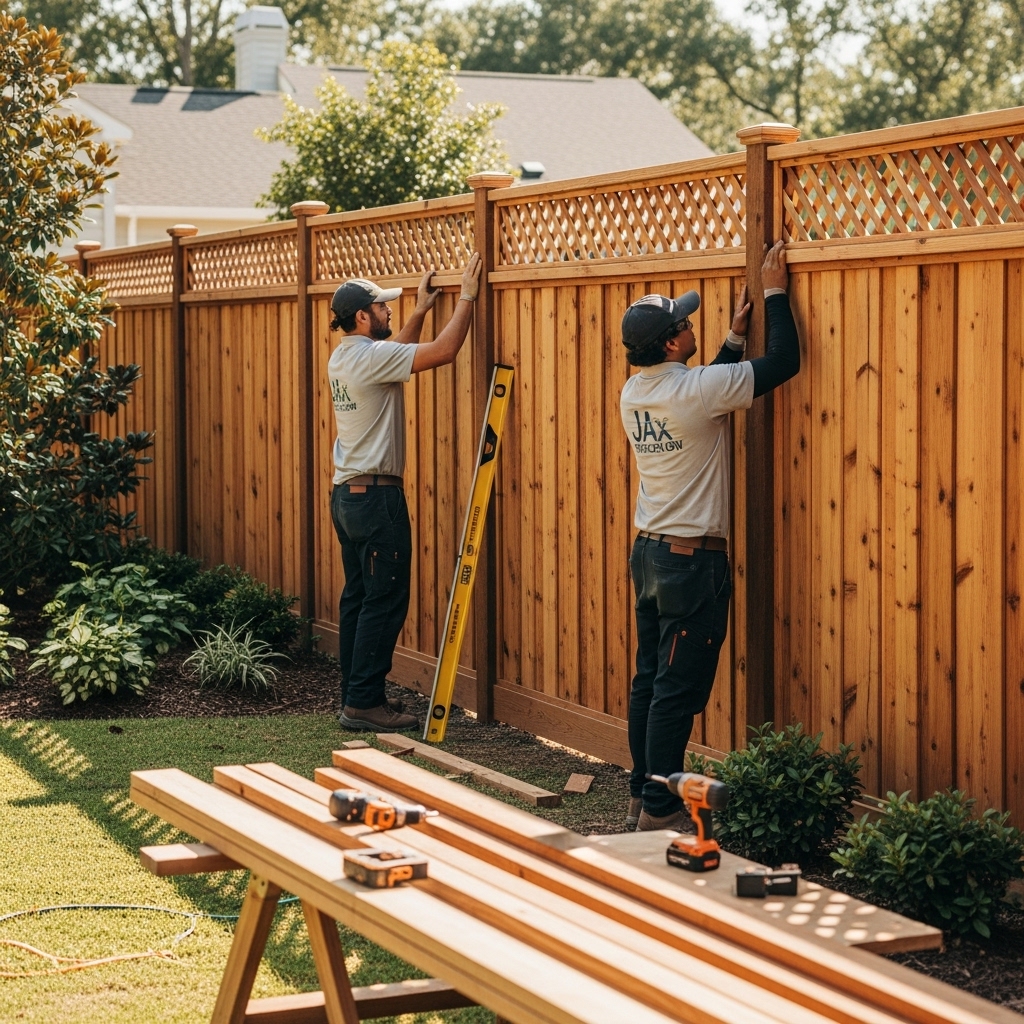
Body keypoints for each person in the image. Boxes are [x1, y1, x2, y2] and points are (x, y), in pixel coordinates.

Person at [620, 240, 800, 831]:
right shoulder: (695, 391)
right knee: (676, 689)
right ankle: (661, 811)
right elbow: (784, 365)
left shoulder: (636, 392)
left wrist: (729, 339)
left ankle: (641, 794)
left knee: (650, 679)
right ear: (672, 344)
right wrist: (775, 293)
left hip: (649, 554)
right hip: (691, 564)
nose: (690, 325)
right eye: (684, 324)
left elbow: (707, 386)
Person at [328, 253, 482, 732]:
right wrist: (468, 299)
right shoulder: (370, 358)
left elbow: (394, 352)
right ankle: (365, 703)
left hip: (347, 497)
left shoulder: (345, 357)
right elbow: (444, 352)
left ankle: (354, 694)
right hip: (377, 500)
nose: (388, 313)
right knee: (385, 599)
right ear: (362, 316)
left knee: (358, 597)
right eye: (383, 308)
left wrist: (417, 310)